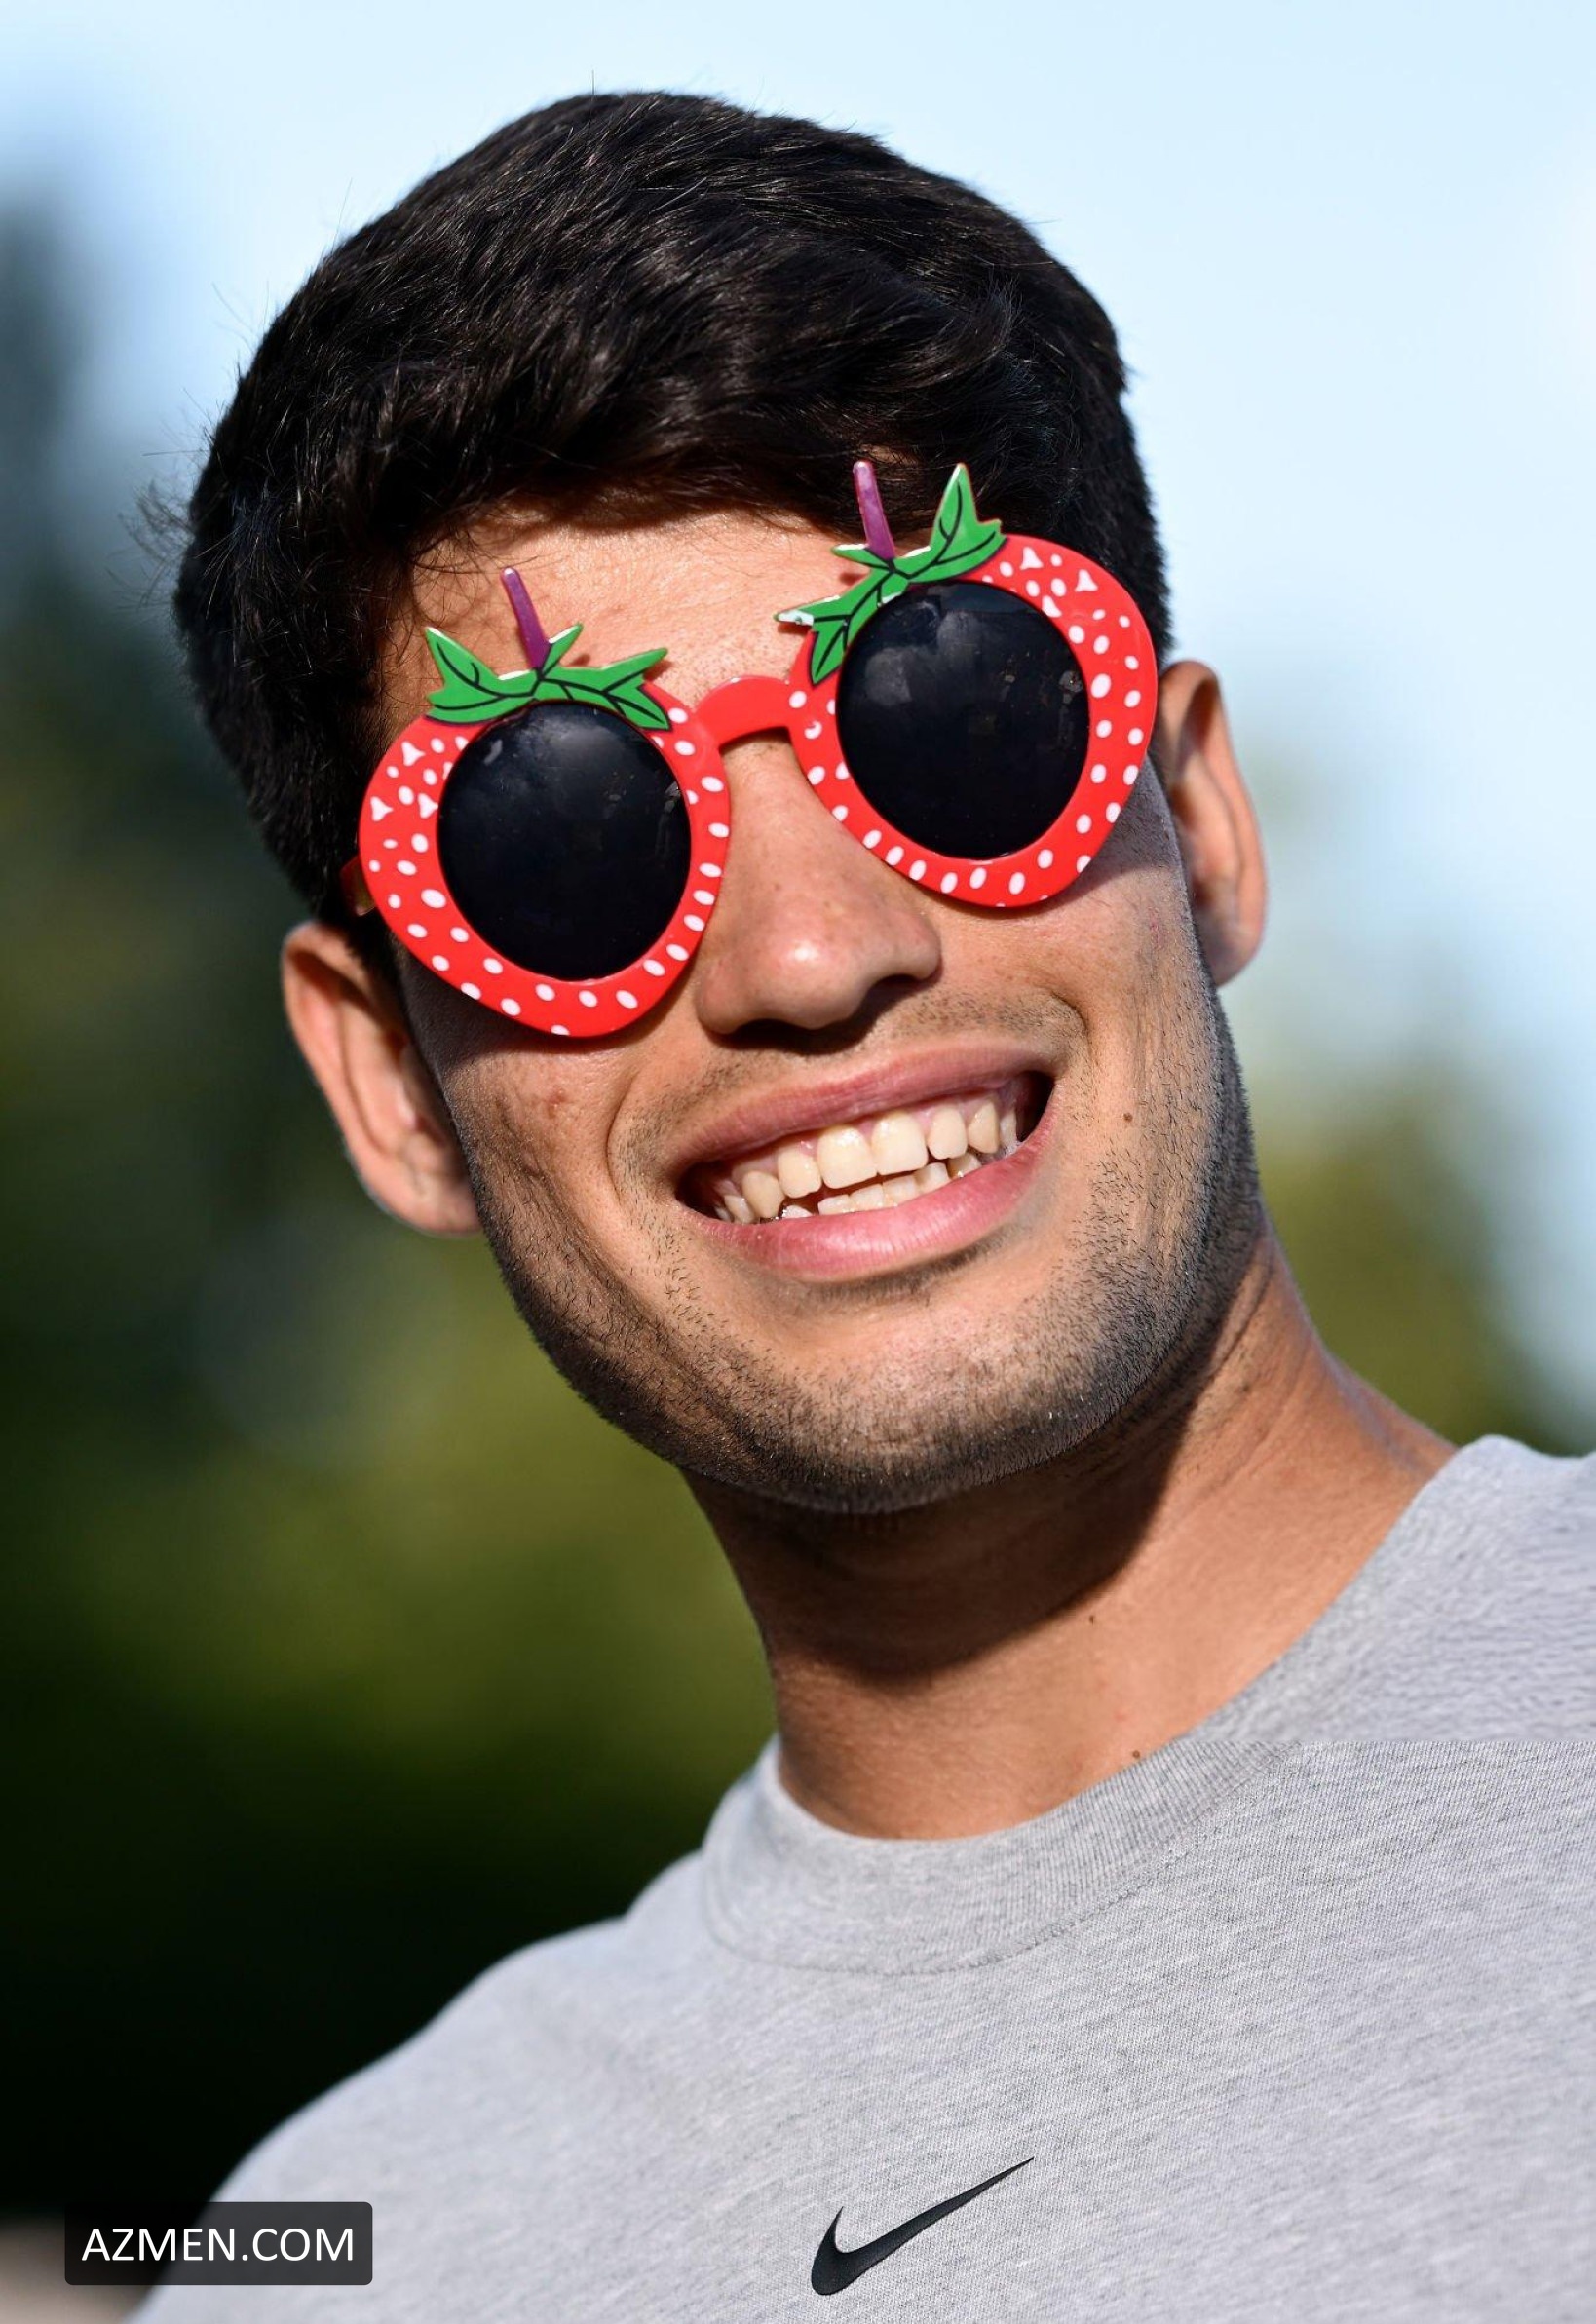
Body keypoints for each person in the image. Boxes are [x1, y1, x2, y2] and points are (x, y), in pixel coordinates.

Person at [148, 89, 1592, 2322]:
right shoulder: (336, 2265)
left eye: (954, 714)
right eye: (555, 835)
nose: (815, 956)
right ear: (388, 1082)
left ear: (1198, 819)